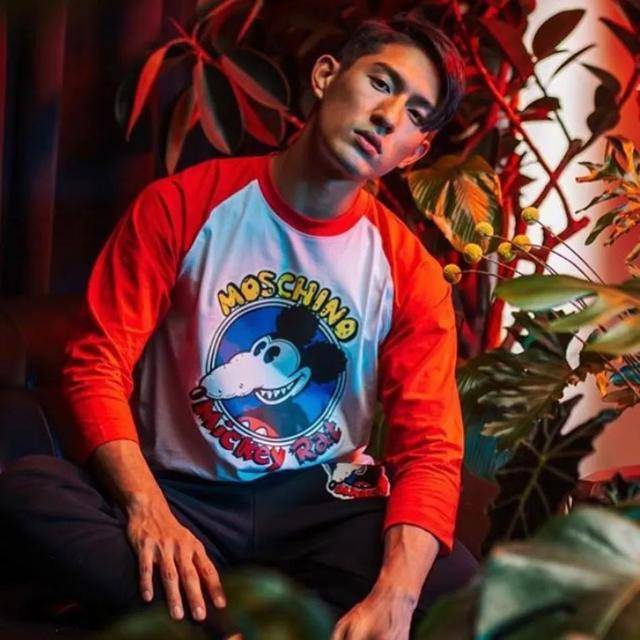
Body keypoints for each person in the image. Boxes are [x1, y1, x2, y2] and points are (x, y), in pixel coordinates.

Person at [0, 9, 477, 640]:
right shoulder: (183, 204)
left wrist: (396, 595)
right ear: (326, 76)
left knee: (452, 584)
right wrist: (148, 511)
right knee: (28, 490)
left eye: (415, 115)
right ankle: (257, 618)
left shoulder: (408, 270)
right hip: (183, 495)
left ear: (414, 152)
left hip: (321, 505)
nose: (389, 116)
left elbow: (430, 448)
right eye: (381, 83)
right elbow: (96, 365)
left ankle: (195, 616)